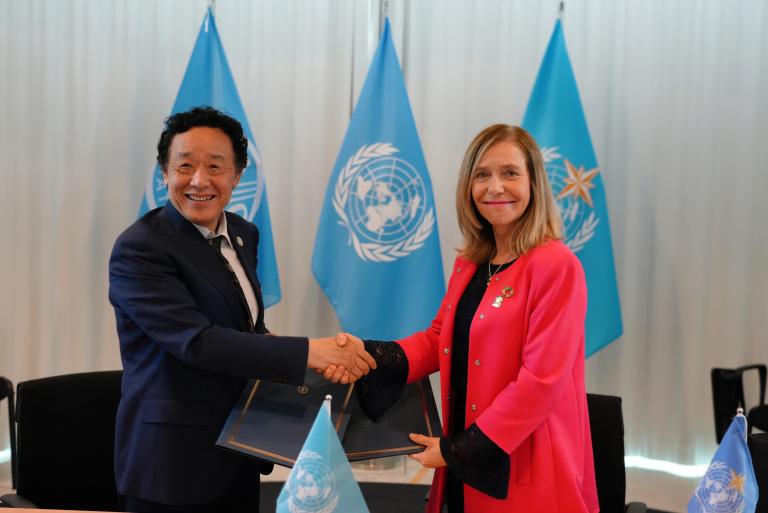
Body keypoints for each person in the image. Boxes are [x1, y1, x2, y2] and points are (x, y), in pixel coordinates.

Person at [108, 106, 374, 513]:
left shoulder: (243, 233)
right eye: (184, 166)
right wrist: (311, 352)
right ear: (164, 173)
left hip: (240, 444)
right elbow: (197, 342)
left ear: (237, 174)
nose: (199, 180)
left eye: (216, 166)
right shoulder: (141, 248)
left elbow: (245, 329)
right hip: (172, 462)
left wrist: (311, 360)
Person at [334, 124, 599, 512]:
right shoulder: (470, 263)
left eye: (510, 173)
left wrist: (461, 449)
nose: (495, 187)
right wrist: (368, 355)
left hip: (523, 464)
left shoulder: (557, 266)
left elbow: (541, 382)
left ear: (535, 184)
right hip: (461, 459)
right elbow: (438, 338)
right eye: (482, 175)